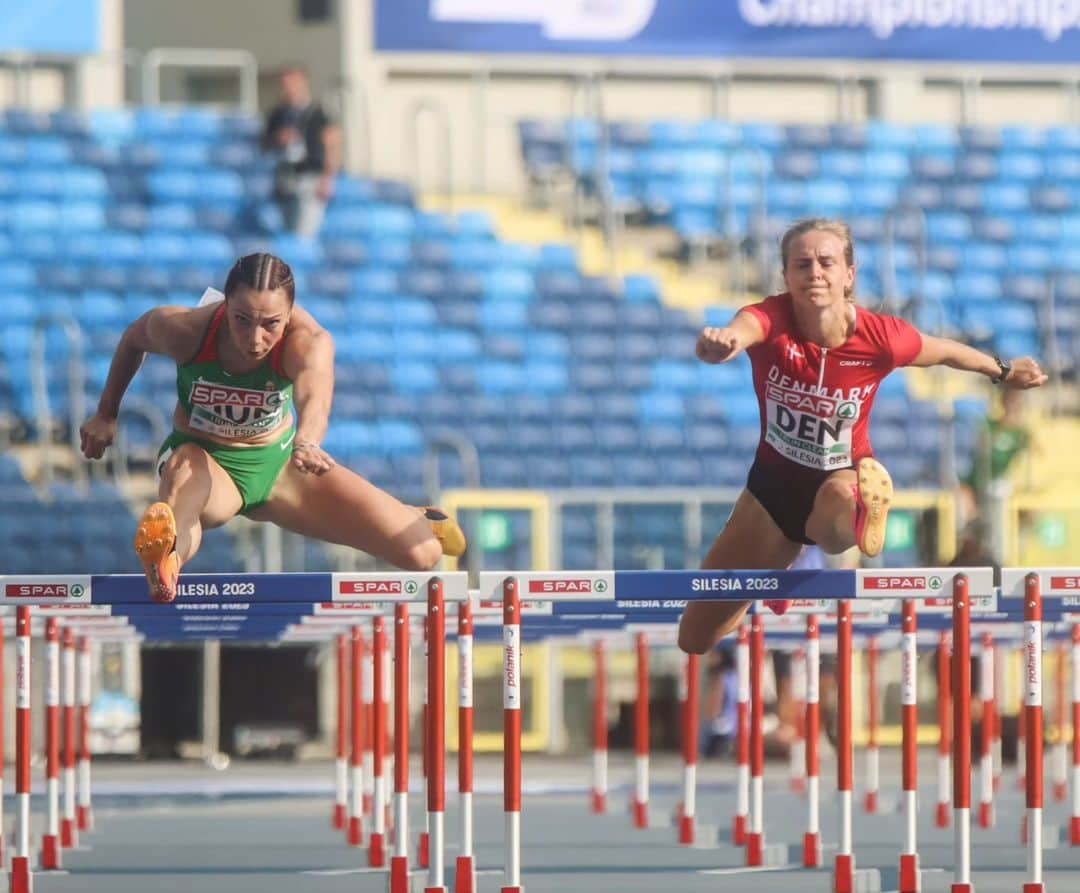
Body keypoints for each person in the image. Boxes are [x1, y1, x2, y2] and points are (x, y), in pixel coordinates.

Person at [678, 217, 1048, 655]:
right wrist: (722, 344)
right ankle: (775, 575)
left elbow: (945, 350)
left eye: (826, 262)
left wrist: (1003, 371)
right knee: (695, 639)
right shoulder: (771, 319)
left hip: (843, 476)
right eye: (802, 264)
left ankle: (861, 512)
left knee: (836, 505)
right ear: (786, 277)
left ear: (848, 275)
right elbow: (743, 328)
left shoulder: (880, 338)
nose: (814, 272)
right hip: (767, 492)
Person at [79, 253, 466, 603]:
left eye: (270, 325)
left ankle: (415, 516)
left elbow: (315, 397)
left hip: (281, 466)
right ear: (225, 305)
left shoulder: (308, 341)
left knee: (422, 555)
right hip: (205, 459)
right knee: (190, 500)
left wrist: (308, 441)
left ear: (290, 312)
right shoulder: (185, 330)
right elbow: (133, 338)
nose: (255, 338)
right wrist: (106, 413)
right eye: (242, 321)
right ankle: (166, 562)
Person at [262, 66, 342, 238]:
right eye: (285, 84)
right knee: (286, 232)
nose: (288, 88)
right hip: (285, 177)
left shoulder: (319, 112)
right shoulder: (278, 114)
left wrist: (328, 178)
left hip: (310, 177)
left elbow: (333, 143)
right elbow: (265, 145)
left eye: (293, 84)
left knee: (303, 233)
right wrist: (279, 139)